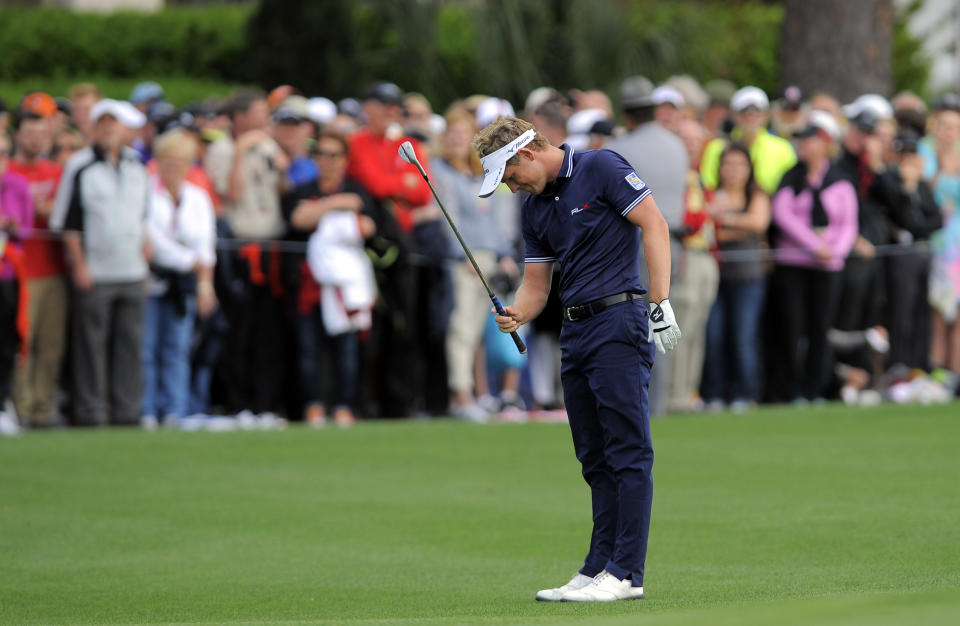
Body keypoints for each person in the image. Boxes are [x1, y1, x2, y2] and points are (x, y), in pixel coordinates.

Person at [474, 116, 680, 601]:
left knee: (627, 450)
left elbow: (654, 222)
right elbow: (537, 287)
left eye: (508, 175)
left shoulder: (601, 166)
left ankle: (627, 573)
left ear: (526, 153)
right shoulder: (534, 208)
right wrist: (516, 314)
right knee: (593, 455)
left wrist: (660, 299)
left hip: (620, 320)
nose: (509, 186)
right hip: (576, 328)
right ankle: (598, 565)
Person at [50, 99, 150, 426]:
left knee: (129, 345)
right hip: (97, 271)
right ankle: (91, 412)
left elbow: (143, 218)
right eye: (103, 123)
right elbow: (68, 223)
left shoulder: (137, 166)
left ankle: (126, 411)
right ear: (94, 128)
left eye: (115, 123)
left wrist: (145, 258)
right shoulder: (80, 166)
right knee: (91, 347)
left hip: (132, 270)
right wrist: (79, 265)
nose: (109, 129)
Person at [346, 81, 435, 417]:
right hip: (371, 245)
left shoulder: (406, 144)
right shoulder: (357, 143)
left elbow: (423, 192)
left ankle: (400, 401)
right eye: (383, 106)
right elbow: (374, 184)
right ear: (367, 108)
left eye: (395, 107)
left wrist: (394, 185)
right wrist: (401, 183)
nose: (390, 112)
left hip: (403, 244)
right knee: (374, 322)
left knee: (405, 322)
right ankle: (368, 400)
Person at [204, 88, 289, 420]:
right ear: (239, 117)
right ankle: (237, 403)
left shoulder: (267, 144)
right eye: (258, 112)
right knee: (239, 330)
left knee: (267, 332)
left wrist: (282, 165)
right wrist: (240, 150)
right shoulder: (222, 149)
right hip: (240, 249)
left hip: (272, 245)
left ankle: (264, 403)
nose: (264, 119)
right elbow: (233, 193)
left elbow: (282, 188)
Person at [606, 75, 688, 417]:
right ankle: (661, 403)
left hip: (635, 247)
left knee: (637, 326)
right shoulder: (677, 145)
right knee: (664, 321)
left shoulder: (620, 150)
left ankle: (642, 404)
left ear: (626, 114)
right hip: (675, 244)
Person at [431, 108, 518, 421]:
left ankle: (483, 395)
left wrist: (505, 253)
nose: (457, 141)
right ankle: (462, 394)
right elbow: (447, 219)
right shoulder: (440, 171)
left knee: (483, 330)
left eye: (463, 135)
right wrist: (462, 254)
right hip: (464, 261)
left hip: (490, 259)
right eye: (451, 135)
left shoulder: (484, 173)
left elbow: (500, 220)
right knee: (462, 328)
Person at [283, 133, 373, 427]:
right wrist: (338, 205)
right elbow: (298, 219)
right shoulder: (304, 189)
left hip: (346, 285)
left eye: (334, 155)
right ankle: (313, 405)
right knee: (308, 350)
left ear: (344, 160)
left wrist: (320, 210)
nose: (327, 161)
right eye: (321, 154)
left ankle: (344, 405)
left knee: (346, 349)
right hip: (310, 284)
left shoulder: (356, 189)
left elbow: (368, 225)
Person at [769, 111, 858, 403]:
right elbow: (782, 214)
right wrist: (812, 245)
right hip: (793, 263)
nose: (803, 145)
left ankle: (814, 388)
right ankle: (788, 389)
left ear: (825, 143)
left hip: (828, 266)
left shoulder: (840, 179)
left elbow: (848, 224)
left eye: (810, 140)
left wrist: (834, 252)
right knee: (791, 327)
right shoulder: (791, 176)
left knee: (820, 328)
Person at [141, 130, 217, 429]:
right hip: (152, 281)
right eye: (167, 161)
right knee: (147, 349)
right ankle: (146, 408)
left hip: (185, 285)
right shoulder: (147, 193)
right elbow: (153, 242)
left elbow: (206, 245)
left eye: (179, 161)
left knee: (178, 348)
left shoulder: (197, 197)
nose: (173, 167)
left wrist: (205, 284)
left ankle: (176, 408)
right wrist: (189, 261)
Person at [8, 103, 68, 428]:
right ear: (18, 135)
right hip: (22, 271)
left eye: (41, 134)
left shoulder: (55, 172)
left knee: (51, 344)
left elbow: (60, 212)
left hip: (53, 269)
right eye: (29, 133)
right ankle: (23, 408)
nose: (34, 140)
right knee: (24, 344)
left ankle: (44, 409)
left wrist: (41, 209)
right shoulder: (9, 174)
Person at [699, 143, 770, 411]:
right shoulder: (711, 194)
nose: (733, 170)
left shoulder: (756, 195)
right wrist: (735, 227)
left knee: (743, 336)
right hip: (717, 276)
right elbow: (708, 231)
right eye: (728, 164)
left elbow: (758, 223)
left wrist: (722, 219)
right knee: (714, 336)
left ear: (749, 168)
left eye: (739, 164)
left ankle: (746, 393)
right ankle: (714, 393)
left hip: (749, 278)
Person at [881, 129, 942, 371]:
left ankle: (919, 365)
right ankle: (899, 364)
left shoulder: (922, 184)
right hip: (900, 255)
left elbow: (935, 220)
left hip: (922, 252)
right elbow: (905, 219)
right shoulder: (889, 180)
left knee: (921, 312)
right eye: (903, 152)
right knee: (901, 312)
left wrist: (914, 187)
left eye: (912, 152)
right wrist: (907, 189)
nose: (908, 157)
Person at [700, 86, 797, 195]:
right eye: (744, 111)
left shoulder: (783, 148)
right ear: (733, 115)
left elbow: (791, 188)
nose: (751, 115)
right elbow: (708, 187)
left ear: (766, 115)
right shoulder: (716, 147)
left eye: (757, 110)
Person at [0, 133, 33, 434]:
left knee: (9, 343)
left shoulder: (17, 184)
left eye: (4, 153)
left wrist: (12, 225)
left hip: (9, 277)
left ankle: (2, 403)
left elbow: (27, 229)